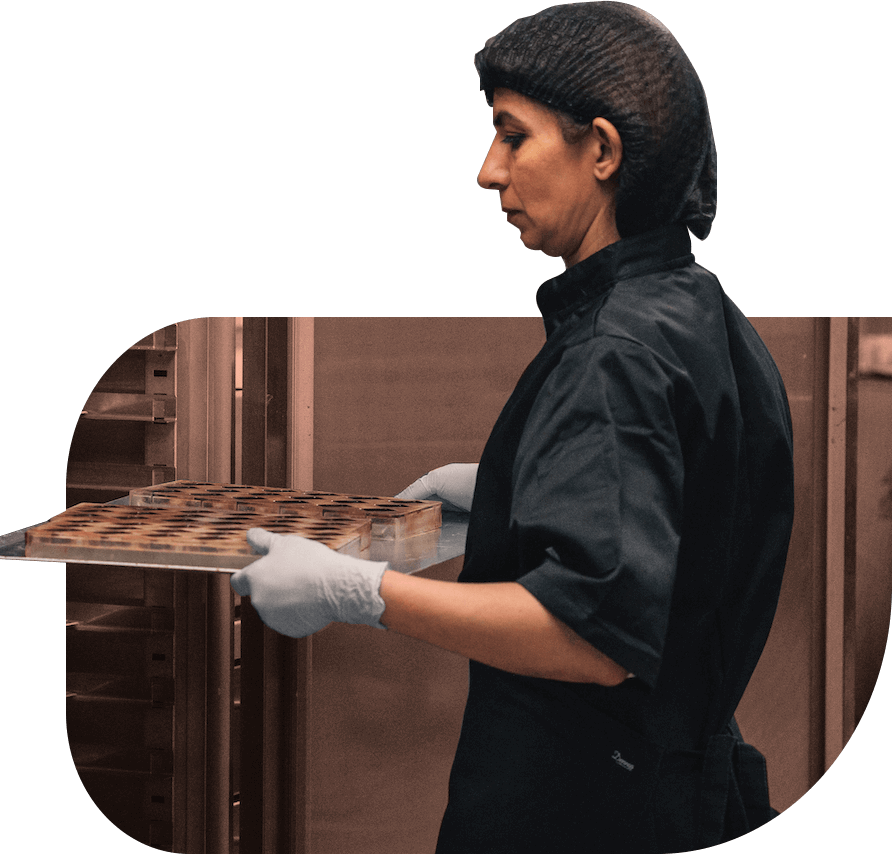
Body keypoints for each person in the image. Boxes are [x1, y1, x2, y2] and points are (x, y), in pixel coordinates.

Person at [230, 4, 795, 851]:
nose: (488, 172)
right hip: (664, 787)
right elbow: (691, 513)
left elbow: (588, 635)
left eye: (512, 136)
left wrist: (358, 592)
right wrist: (511, 493)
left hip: (588, 811)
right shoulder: (696, 308)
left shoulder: (615, 348)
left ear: (602, 151)